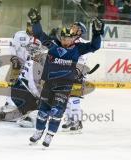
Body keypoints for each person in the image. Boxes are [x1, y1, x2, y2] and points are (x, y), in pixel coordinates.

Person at [27, 8, 104, 147]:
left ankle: (50, 135)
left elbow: (95, 46)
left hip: (65, 85)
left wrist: (97, 32)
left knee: (57, 112)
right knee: (43, 111)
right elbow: (39, 33)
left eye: (68, 38)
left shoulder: (78, 48)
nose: (65, 40)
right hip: (49, 84)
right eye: (63, 38)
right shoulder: (53, 45)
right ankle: (38, 132)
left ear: (73, 38)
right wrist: (35, 21)